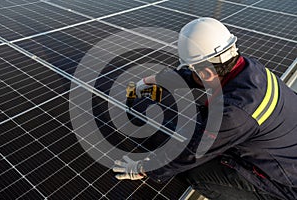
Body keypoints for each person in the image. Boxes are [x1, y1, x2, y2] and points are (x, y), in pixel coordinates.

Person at [112, 17, 297, 200]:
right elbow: (196, 77)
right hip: (284, 148)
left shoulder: (235, 114)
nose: (192, 73)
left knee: (196, 171)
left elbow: (191, 154)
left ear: (207, 72)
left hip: (286, 184)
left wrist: (145, 169)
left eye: (193, 69)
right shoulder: (249, 68)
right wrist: (152, 81)